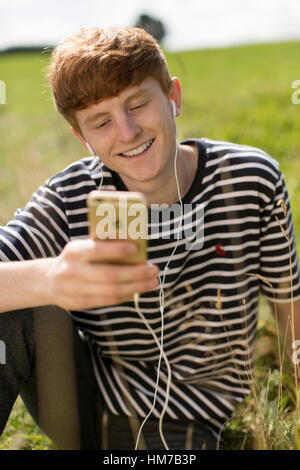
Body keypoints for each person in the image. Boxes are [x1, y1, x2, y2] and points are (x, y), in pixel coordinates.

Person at [0, 26, 300, 451]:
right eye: (100, 122)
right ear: (81, 138)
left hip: (187, 418)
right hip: (87, 403)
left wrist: (293, 404)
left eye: (137, 105)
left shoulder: (249, 179)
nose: (127, 132)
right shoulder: (70, 198)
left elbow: (289, 306)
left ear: (173, 97)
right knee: (12, 308)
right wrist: (48, 278)